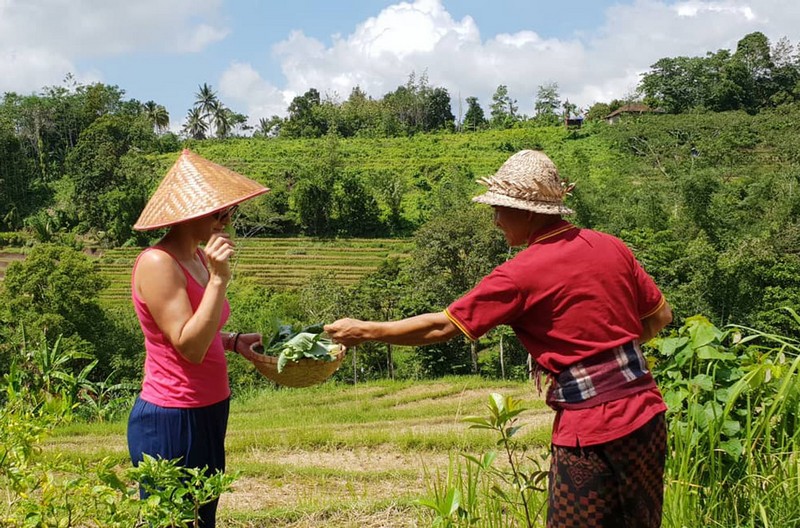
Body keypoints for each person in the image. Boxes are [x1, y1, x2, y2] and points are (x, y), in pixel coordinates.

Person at [325, 149, 673, 528]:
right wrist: (610, 360)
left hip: (592, 428)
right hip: (647, 414)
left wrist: (367, 330)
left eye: (499, 209)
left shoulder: (519, 274)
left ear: (526, 212)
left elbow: (443, 326)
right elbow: (659, 317)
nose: (494, 220)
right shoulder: (609, 245)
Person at [127, 149, 269, 527]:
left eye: (229, 213)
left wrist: (232, 340)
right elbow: (187, 346)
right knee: (175, 520)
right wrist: (221, 280)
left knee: (202, 516)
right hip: (173, 417)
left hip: (209, 408)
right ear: (191, 215)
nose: (228, 221)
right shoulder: (159, 263)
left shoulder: (196, 259)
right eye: (220, 213)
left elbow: (200, 332)